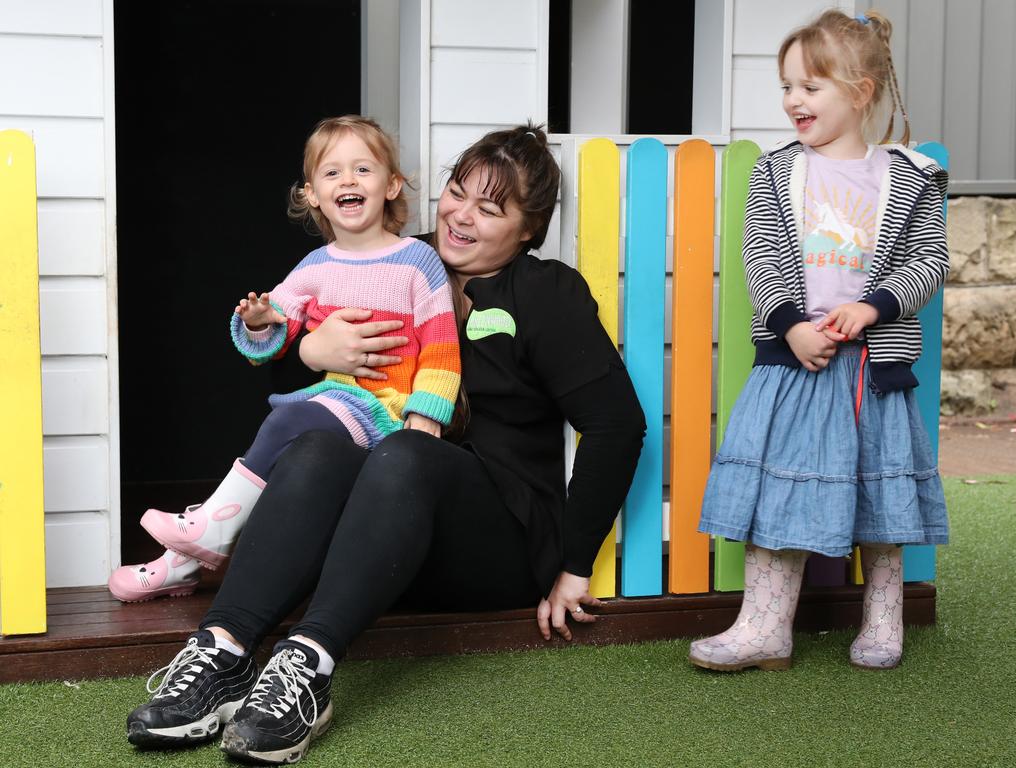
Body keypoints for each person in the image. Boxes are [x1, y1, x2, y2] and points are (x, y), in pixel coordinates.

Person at [124, 124, 646, 764]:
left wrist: (573, 565)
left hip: (494, 536)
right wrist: (313, 351)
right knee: (317, 447)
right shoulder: (398, 261)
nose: (461, 217)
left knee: (406, 452)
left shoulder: (547, 293)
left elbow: (618, 425)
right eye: (457, 194)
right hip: (380, 543)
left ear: (528, 229)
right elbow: (305, 389)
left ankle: (306, 667)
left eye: (490, 209)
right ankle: (223, 652)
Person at [689, 9, 949, 674]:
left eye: (810, 86)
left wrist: (874, 306)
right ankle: (764, 627)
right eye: (786, 87)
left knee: (881, 496)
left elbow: (927, 259)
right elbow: (763, 257)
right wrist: (792, 328)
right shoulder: (778, 173)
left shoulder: (910, 177)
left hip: (871, 365)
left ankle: (884, 621)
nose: (792, 101)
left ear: (860, 92)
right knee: (783, 492)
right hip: (798, 361)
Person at [108, 116, 461, 602]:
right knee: (284, 448)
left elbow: (443, 348)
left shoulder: (417, 263)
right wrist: (257, 320)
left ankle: (205, 530)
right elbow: (275, 332)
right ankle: (183, 562)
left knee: (289, 419)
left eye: (363, 169)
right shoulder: (315, 267)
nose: (349, 181)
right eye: (332, 173)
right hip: (339, 403)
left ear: (392, 185)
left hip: (389, 410)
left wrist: (427, 415)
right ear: (313, 194)